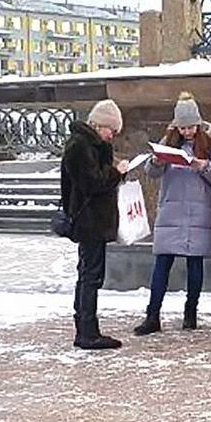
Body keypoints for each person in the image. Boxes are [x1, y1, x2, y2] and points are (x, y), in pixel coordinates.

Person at [134, 92, 211, 336]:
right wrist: (157, 160)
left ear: (198, 123)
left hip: (198, 211)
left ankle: (190, 313)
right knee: (162, 264)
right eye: (182, 127)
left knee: (195, 265)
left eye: (191, 127)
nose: (187, 132)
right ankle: (152, 315)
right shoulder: (168, 142)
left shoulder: (210, 144)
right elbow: (151, 172)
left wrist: (203, 166)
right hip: (171, 210)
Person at [61, 99, 130, 350]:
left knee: (89, 275)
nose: (113, 135)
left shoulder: (90, 145)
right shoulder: (80, 146)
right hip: (88, 220)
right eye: (112, 130)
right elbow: (91, 183)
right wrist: (117, 172)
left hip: (93, 220)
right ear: (100, 124)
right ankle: (86, 331)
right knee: (90, 276)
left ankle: (87, 327)